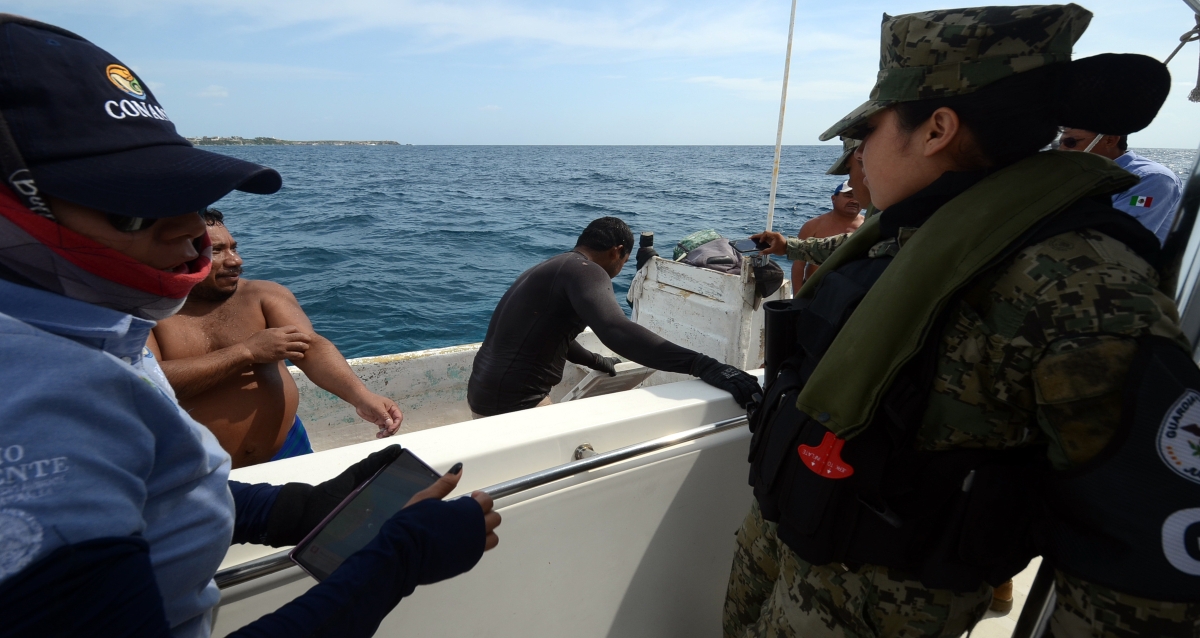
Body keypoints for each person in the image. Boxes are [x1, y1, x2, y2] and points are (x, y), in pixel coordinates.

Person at [0, 14, 500, 638]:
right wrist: (397, 560)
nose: (190, 232)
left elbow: (145, 491)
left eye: (181, 191)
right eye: (130, 205)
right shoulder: (35, 404)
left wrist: (290, 509)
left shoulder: (98, 326)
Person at [730, 4, 1200, 637]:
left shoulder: (1077, 278)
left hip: (877, 604)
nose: (860, 153)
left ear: (937, 129)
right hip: (789, 533)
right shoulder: (913, 233)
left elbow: (1146, 550)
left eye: (870, 129)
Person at [149, 207, 402, 468]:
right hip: (193, 471)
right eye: (216, 251)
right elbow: (148, 381)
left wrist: (361, 396)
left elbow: (310, 347)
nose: (236, 260)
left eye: (234, 248)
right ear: (178, 253)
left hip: (287, 450)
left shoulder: (264, 296)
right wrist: (246, 352)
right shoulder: (146, 313)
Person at [468, 216, 762, 417]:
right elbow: (615, 329)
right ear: (617, 252)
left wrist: (598, 361)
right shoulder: (587, 271)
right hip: (515, 404)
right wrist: (702, 364)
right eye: (624, 261)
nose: (620, 268)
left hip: (485, 391)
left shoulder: (553, 267)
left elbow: (557, 336)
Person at [1058, 127, 1183, 244]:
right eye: (1059, 143)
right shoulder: (1082, 178)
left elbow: (1115, 239)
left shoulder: (1153, 178)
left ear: (1109, 140)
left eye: (1070, 142)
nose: (1061, 150)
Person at [791, 181, 863, 289]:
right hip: (816, 291)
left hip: (854, 292)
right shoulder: (813, 225)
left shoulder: (867, 225)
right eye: (848, 196)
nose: (854, 200)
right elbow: (798, 265)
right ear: (834, 198)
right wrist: (797, 297)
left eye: (857, 196)